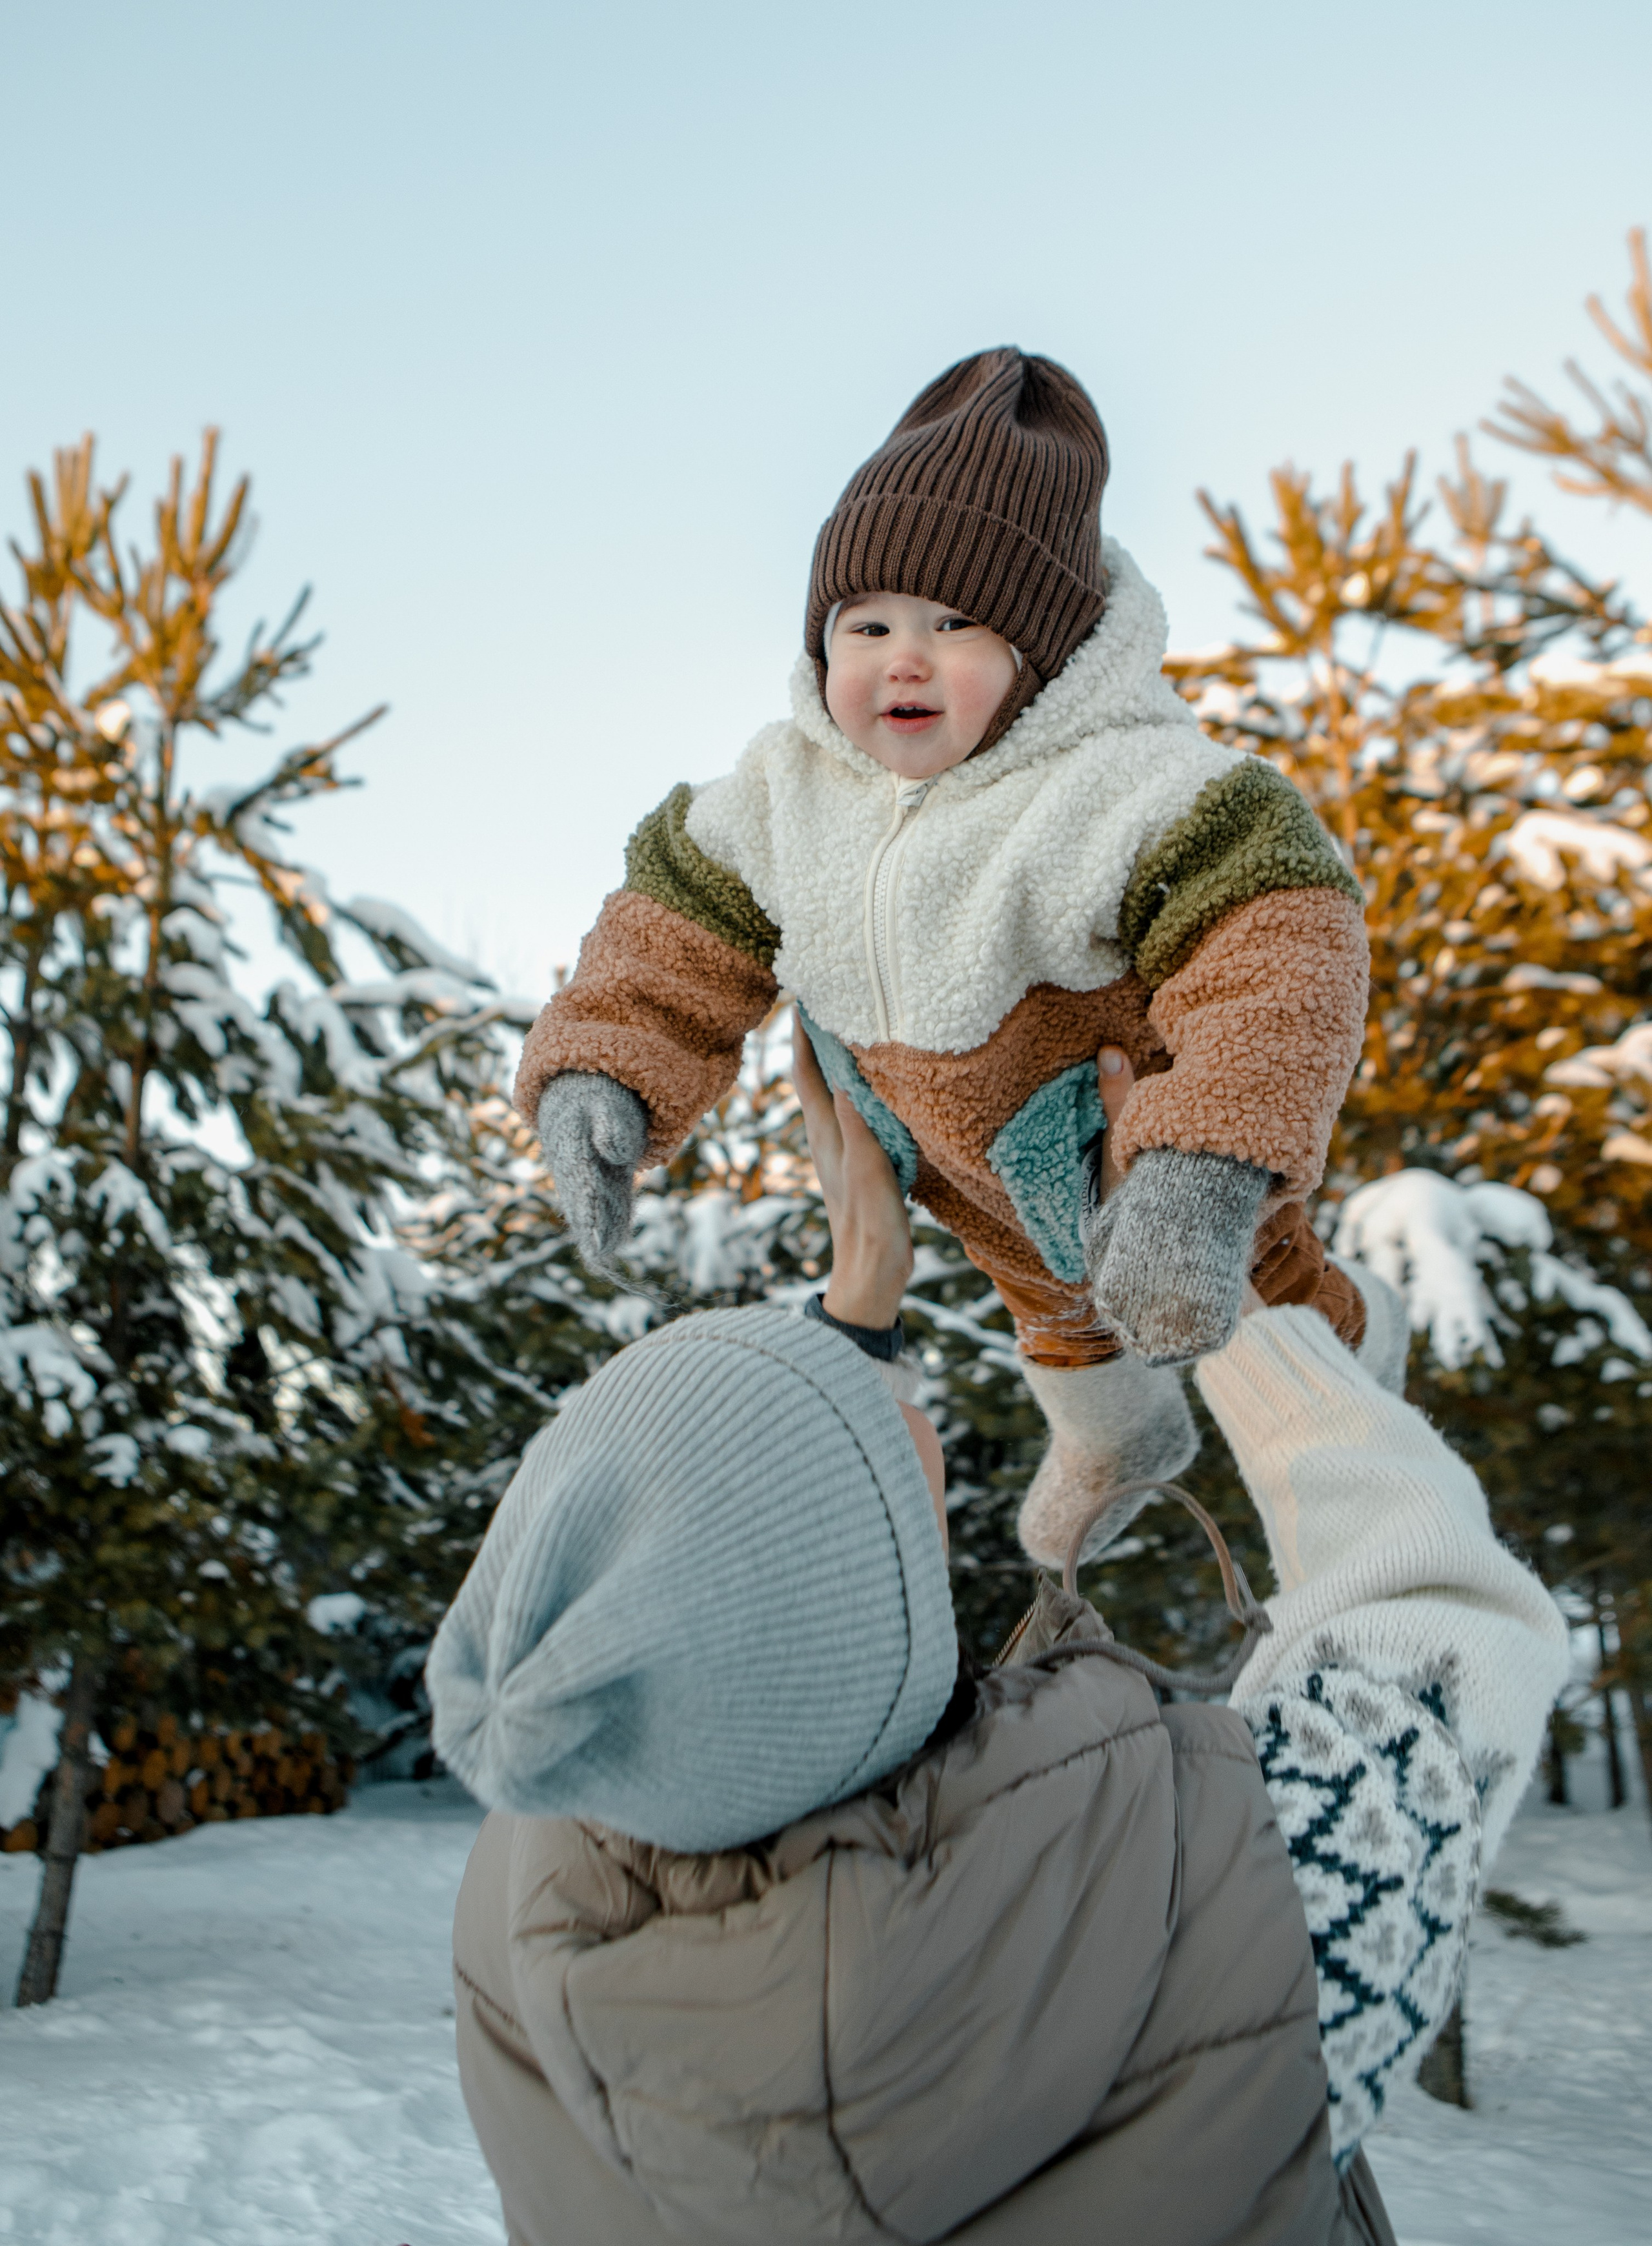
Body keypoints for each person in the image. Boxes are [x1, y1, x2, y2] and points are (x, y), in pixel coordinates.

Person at [428, 1037, 1567, 2246]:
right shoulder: (1207, 1916)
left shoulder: (547, 1835)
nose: (893, 1397)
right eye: (867, 1424)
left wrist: (859, 1288)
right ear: (864, 1613)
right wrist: (1210, 1283)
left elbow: (713, 1600)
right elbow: (1446, 1623)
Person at [511, 347, 1380, 1570]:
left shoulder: (1128, 786)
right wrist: (604, 1072)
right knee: (1047, 1303)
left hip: (1131, 1144)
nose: (901, 659)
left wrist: (1207, 1166)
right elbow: (674, 929)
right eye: (864, 625)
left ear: (1042, 653)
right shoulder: (780, 790)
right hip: (961, 1162)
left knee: (1254, 1288)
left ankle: (1354, 1380)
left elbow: (1280, 940)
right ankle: (1117, 1437)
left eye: (954, 624)